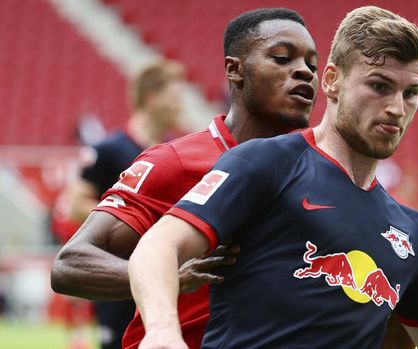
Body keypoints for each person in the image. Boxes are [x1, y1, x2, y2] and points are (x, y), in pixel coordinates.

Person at [128, 6, 418, 349]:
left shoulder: (414, 235)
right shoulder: (266, 162)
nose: (396, 108)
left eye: (410, 92)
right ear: (332, 81)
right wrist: (162, 332)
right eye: (379, 86)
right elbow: (158, 246)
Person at [52, 8, 318, 349]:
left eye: (312, 65)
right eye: (282, 58)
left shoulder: (322, 172)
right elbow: (69, 263)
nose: (303, 72)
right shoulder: (174, 162)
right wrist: (167, 277)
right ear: (235, 70)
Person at [55, 59, 185, 349]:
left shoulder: (176, 151)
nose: (181, 107)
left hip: (164, 272)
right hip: (119, 275)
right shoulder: (108, 149)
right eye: (175, 98)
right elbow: (76, 204)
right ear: (151, 98)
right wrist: (134, 224)